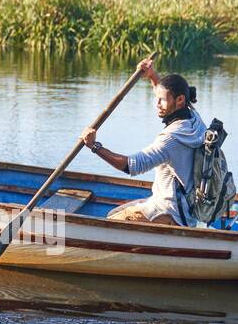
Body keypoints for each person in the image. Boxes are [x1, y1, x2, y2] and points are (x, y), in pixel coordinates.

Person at [80, 58, 207, 226]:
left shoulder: (170, 140)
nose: (157, 104)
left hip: (169, 210)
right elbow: (167, 94)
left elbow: (131, 165)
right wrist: (152, 75)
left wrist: (95, 146)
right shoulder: (194, 120)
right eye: (157, 98)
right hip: (186, 210)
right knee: (113, 212)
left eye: (161, 100)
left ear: (180, 100)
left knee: (110, 222)